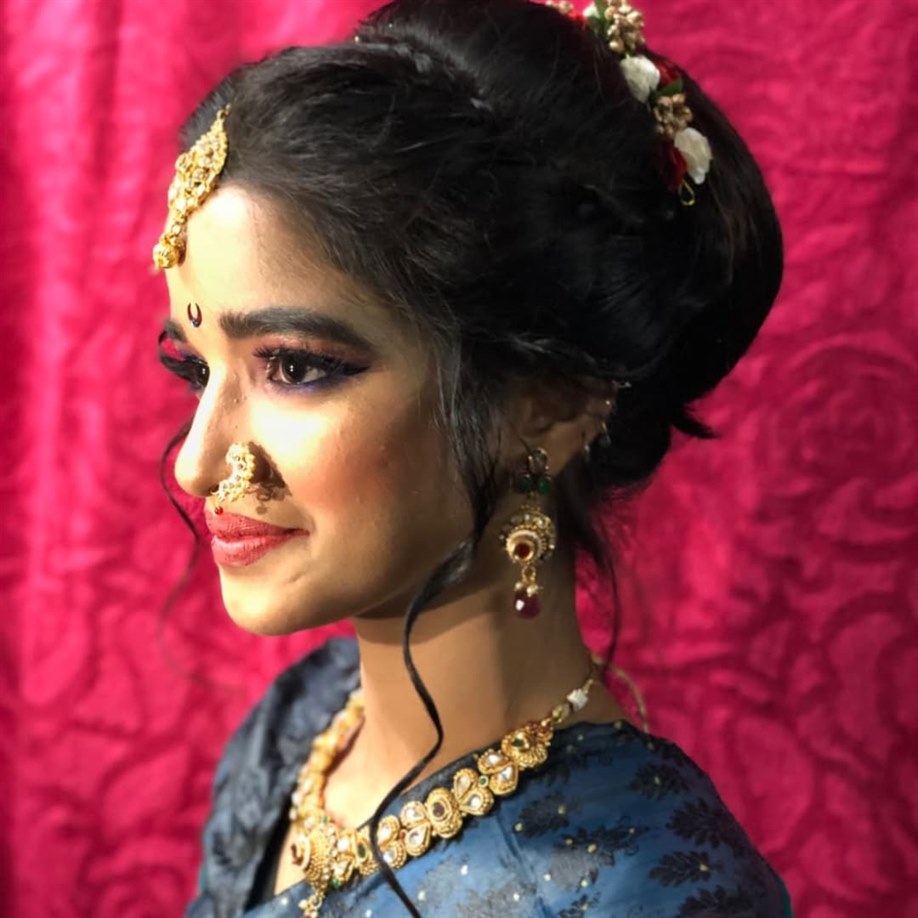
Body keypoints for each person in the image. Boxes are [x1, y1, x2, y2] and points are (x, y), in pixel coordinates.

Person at [152, 0, 791, 915]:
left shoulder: (646, 891)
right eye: (194, 367)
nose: (197, 464)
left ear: (548, 406)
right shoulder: (299, 730)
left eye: (293, 367)